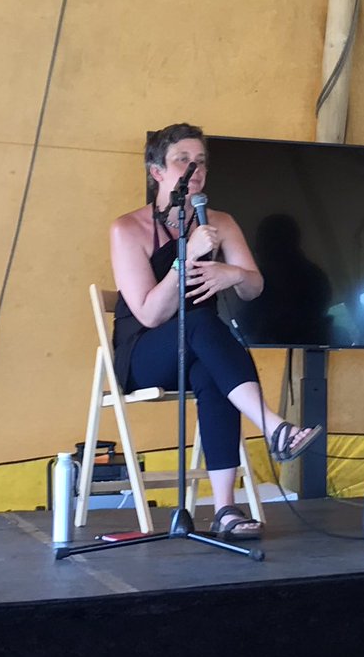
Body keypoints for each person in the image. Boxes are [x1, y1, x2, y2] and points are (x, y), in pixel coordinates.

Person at [110, 123, 322, 539]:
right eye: (183, 161)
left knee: (213, 372)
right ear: (157, 172)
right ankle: (274, 426)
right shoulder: (127, 229)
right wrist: (184, 259)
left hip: (198, 352)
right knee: (203, 323)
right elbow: (151, 315)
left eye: (201, 162)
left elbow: (254, 286)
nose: (195, 169)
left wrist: (231, 273)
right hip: (144, 355)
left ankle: (225, 507)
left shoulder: (219, 220)